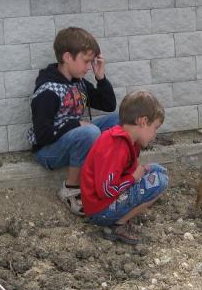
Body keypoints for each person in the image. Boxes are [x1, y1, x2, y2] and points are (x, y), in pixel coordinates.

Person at [29, 27, 118, 216]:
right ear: (68, 57)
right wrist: (75, 125)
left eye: (91, 62)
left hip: (75, 138)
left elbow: (108, 105)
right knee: (89, 132)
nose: (89, 67)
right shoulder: (48, 91)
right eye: (86, 61)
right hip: (48, 151)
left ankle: (109, 176)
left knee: (120, 120)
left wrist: (100, 78)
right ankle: (70, 189)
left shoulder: (79, 82)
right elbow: (42, 135)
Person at [81, 91, 168, 245]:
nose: (154, 135)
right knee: (158, 181)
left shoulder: (128, 141)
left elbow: (123, 173)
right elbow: (106, 189)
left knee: (157, 171)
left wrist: (139, 172)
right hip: (100, 210)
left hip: (105, 203)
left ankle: (119, 219)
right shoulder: (116, 146)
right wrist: (134, 177)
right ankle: (117, 226)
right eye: (155, 128)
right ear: (143, 121)